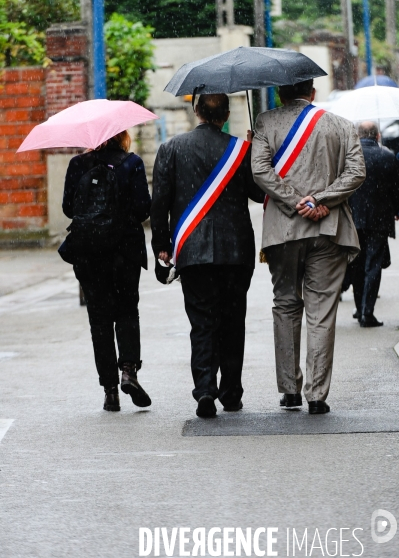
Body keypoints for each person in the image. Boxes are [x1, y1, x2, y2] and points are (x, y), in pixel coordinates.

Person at [251, 79, 366, 414]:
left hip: (283, 231)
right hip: (329, 228)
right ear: (312, 92)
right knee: (321, 312)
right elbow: (356, 173)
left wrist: (294, 201)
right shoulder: (341, 126)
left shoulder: (265, 122)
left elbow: (260, 171)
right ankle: (317, 395)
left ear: (279, 94)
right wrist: (319, 199)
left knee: (285, 304)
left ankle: (289, 390)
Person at [151, 93, 264, 418]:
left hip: (193, 252)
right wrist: (254, 151)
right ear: (226, 114)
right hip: (236, 251)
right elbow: (258, 194)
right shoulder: (240, 150)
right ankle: (231, 392)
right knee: (232, 322)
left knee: (202, 324)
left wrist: (162, 245)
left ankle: (204, 390)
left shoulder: (171, 148)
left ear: (196, 110)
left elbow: (159, 203)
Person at [59, 130, 152, 412]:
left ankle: (110, 391)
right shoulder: (132, 163)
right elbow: (142, 208)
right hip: (125, 252)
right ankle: (128, 371)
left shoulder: (78, 164)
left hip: (89, 253)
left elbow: (67, 208)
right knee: (126, 311)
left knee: (99, 321)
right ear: (121, 134)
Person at [348, 121, 399, 327]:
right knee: (373, 265)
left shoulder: (349, 158)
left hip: (353, 219)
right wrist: (397, 210)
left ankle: (359, 308)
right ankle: (367, 313)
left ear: (357, 136)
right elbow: (396, 188)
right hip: (379, 219)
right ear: (377, 135)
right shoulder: (387, 156)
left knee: (356, 265)